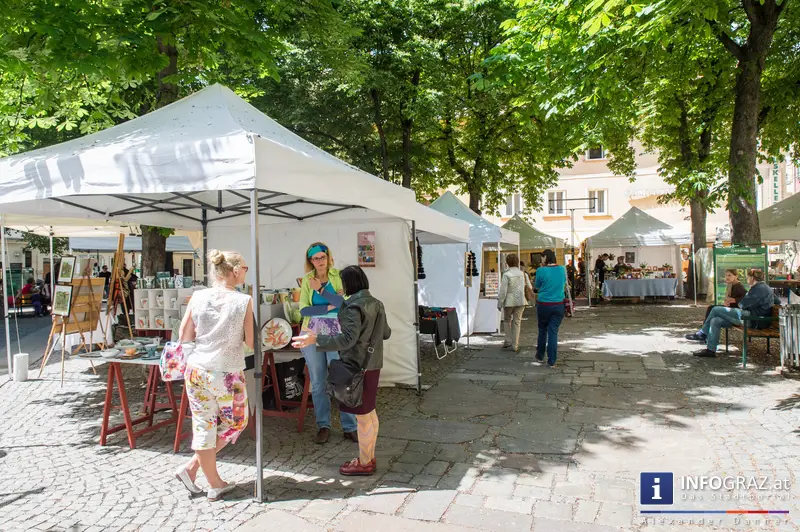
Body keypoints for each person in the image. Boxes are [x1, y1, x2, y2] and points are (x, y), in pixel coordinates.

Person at [292, 266, 391, 476]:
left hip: (356, 366)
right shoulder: (376, 303)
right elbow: (386, 333)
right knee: (369, 413)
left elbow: (347, 339)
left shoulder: (352, 307)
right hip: (373, 364)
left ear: (347, 284)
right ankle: (369, 457)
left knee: (363, 417)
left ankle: (364, 462)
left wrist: (316, 338)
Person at [175, 249, 253, 501]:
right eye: (245, 268)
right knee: (237, 421)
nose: (246, 272)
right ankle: (209, 480)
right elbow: (251, 342)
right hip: (227, 371)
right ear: (236, 271)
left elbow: (184, 336)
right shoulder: (243, 301)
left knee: (203, 425)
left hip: (197, 369)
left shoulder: (198, 296)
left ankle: (198, 472)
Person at [298, 242, 358, 444]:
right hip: (311, 331)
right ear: (310, 261)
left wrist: (322, 292)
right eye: (314, 258)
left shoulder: (339, 276)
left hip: (335, 331)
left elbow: (346, 303)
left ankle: (350, 426)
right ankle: (323, 425)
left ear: (328, 257)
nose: (319, 261)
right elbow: (304, 310)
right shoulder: (307, 280)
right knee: (318, 382)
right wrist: (329, 306)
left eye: (321, 257)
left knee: (340, 378)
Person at [689, 269, 779, 358]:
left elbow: (742, 305)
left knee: (715, 309)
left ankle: (703, 333)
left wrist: (743, 302)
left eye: (748, 277)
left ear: (752, 278)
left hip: (753, 319)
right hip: (753, 318)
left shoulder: (759, 288)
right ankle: (710, 350)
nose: (747, 280)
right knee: (715, 320)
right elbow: (777, 301)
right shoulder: (765, 287)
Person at [686, 269, 747, 343]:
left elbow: (746, 298)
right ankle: (704, 334)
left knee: (713, 308)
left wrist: (734, 300)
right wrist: (727, 302)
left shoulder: (738, 286)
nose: (727, 277)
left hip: (736, 313)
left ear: (736, 276)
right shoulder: (731, 285)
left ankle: (703, 334)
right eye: (726, 275)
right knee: (711, 308)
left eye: (729, 275)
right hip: (731, 309)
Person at [535, 249, 567, 367]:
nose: (541, 260)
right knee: (553, 332)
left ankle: (540, 355)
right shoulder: (562, 269)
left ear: (545, 258)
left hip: (543, 304)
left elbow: (537, 285)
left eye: (542, 257)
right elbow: (563, 283)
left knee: (542, 330)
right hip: (558, 304)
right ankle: (552, 360)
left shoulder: (541, 270)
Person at [498, 253, 530, 352]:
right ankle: (515, 344)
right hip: (521, 300)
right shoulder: (523, 274)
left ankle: (507, 340)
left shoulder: (506, 274)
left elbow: (503, 291)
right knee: (517, 322)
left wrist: (500, 303)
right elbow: (530, 287)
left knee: (507, 320)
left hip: (509, 301)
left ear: (507, 263)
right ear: (517, 262)